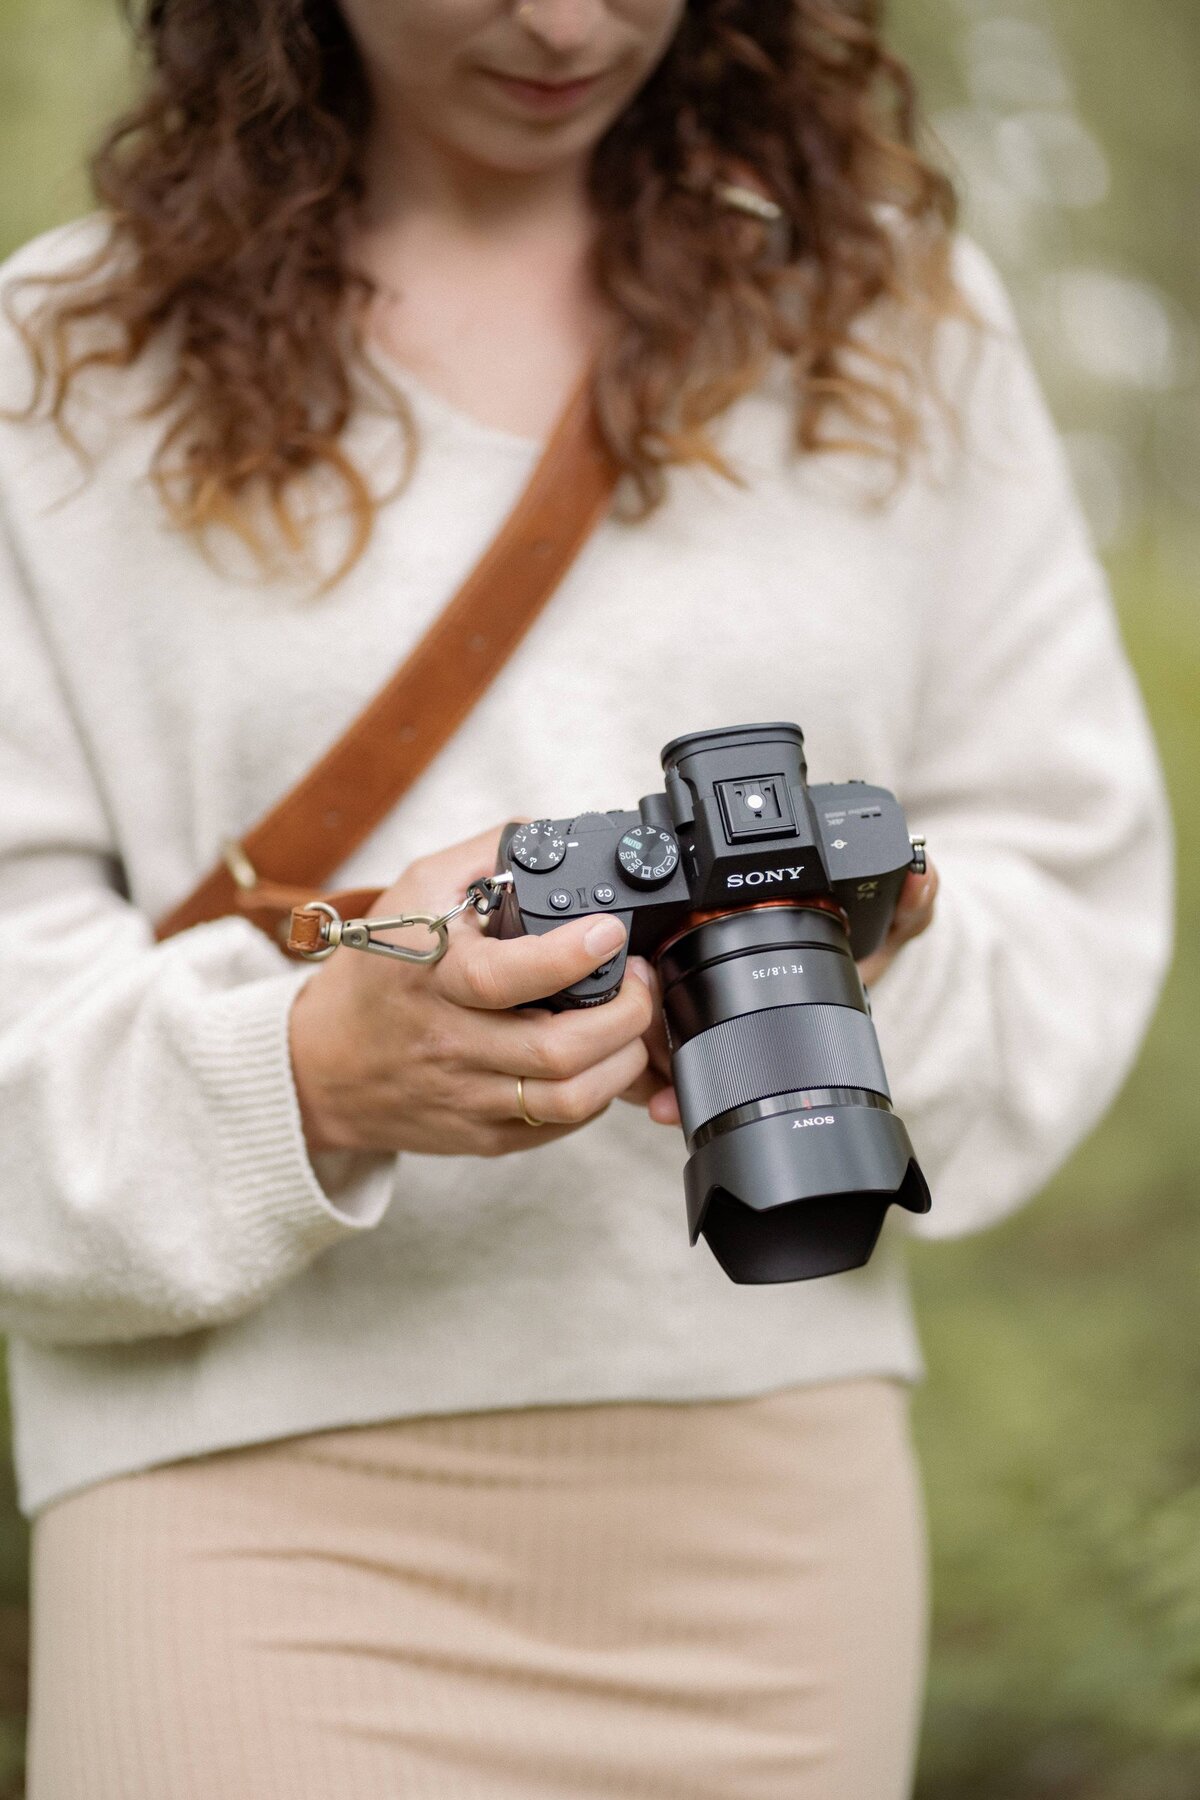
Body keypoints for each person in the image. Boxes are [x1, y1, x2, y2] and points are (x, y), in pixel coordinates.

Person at [0, 1, 1172, 1795]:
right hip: (239, 1524)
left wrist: (852, 959)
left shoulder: (890, 319)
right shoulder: (58, 359)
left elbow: (1077, 897)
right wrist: (310, 1074)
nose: (564, 20)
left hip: (770, 1529)